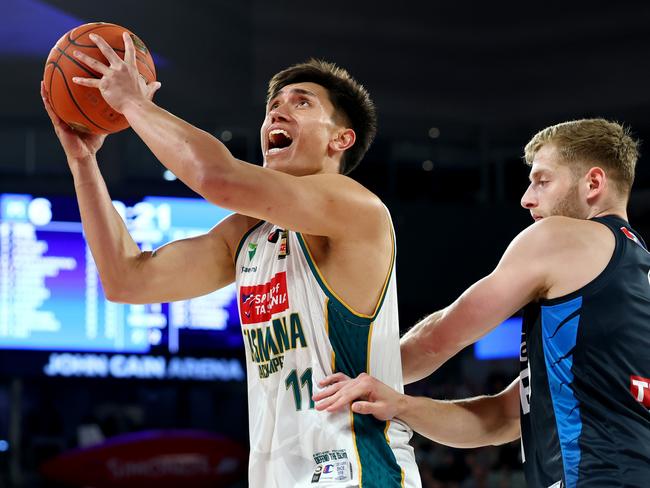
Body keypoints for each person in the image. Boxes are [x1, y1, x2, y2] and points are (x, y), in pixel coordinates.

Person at [40, 31, 421, 488]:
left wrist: (133, 105)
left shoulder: (355, 208)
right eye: (272, 106)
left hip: (359, 471)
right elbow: (127, 280)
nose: (277, 112)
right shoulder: (249, 233)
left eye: (301, 103)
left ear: (341, 139)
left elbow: (216, 178)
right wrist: (83, 162)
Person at [314, 119, 650, 487]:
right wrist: (401, 405)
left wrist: (350, 373)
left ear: (594, 183)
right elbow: (502, 419)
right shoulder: (635, 271)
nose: (526, 198)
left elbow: (439, 339)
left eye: (542, 180)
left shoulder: (560, 237)